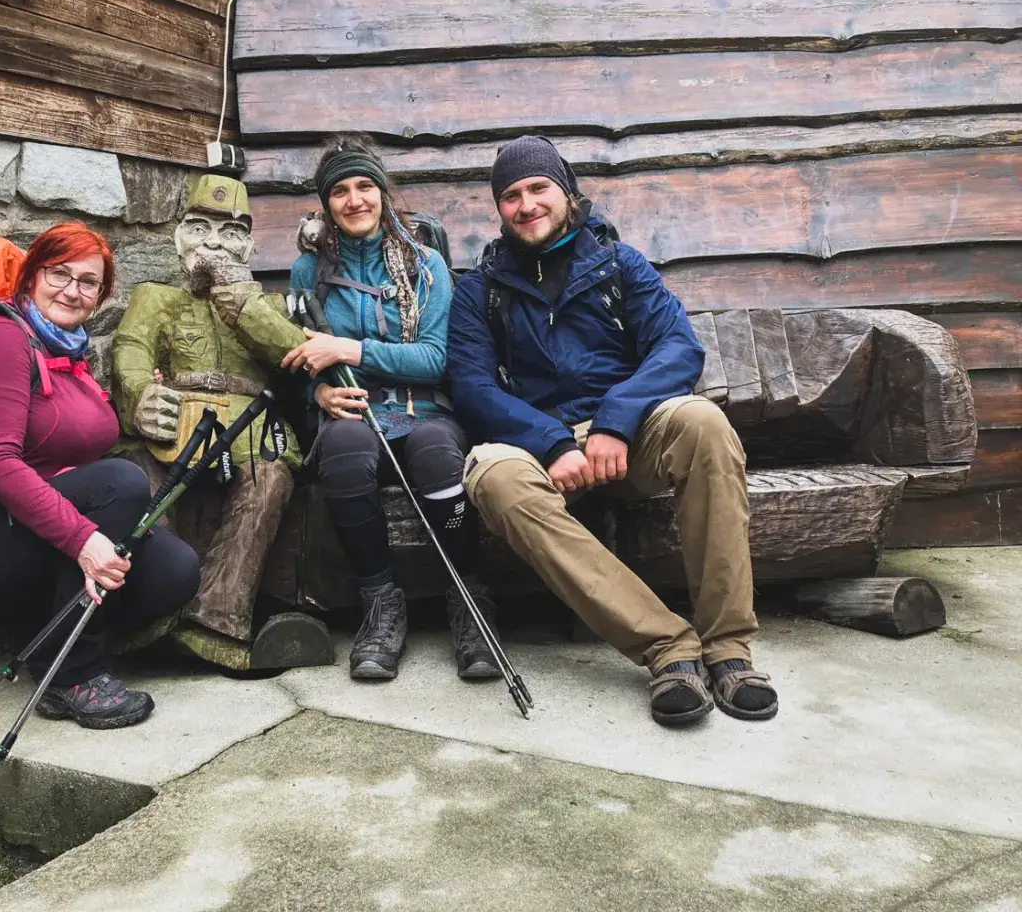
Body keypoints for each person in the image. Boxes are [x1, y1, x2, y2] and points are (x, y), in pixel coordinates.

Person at [446, 136, 779, 725]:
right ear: (498, 209)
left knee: (703, 421)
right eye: (510, 196)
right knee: (493, 479)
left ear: (567, 193)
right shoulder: (480, 291)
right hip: (541, 448)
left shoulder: (620, 265)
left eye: (538, 188)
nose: (526, 205)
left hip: (628, 440)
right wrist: (549, 441)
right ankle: (668, 648)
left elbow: (678, 348)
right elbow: (473, 387)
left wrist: (615, 422)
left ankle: (728, 649)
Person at [0, 222, 201, 730]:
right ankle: (73, 676)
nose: (72, 290)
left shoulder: (69, 351)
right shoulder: (2, 341)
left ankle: (35, 632)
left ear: (100, 294)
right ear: (30, 276)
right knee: (121, 481)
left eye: (88, 282)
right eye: (59, 274)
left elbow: (72, 448)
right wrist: (84, 540)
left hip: (32, 531)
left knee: (173, 571)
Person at [277, 133, 501, 681]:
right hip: (354, 412)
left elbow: (435, 360)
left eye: (364, 186)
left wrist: (350, 350)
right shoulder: (310, 271)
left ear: (381, 191)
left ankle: (468, 598)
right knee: (346, 452)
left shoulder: (427, 267)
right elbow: (302, 357)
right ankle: (380, 603)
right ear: (326, 204)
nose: (354, 200)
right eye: (340, 192)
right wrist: (319, 392)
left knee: (436, 458)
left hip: (425, 409)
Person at [111, 174, 331, 672]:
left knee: (269, 476)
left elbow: (291, 353)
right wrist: (141, 396)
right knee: (141, 479)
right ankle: (150, 613)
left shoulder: (269, 305)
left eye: (231, 231)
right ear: (178, 236)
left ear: (250, 245)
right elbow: (131, 351)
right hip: (178, 422)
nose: (213, 241)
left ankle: (215, 621)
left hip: (251, 427)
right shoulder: (155, 297)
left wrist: (244, 306)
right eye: (199, 226)